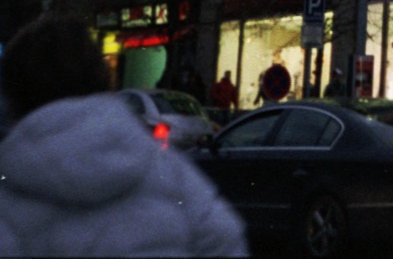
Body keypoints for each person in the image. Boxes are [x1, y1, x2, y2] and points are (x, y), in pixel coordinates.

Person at [0, 15, 249, 256]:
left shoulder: (10, 191)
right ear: (101, 78)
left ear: (14, 96)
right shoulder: (168, 170)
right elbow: (223, 238)